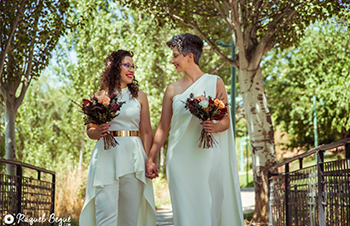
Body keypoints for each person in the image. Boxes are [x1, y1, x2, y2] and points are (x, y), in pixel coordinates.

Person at [146, 33, 244, 226]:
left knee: (209, 209)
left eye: (175, 55)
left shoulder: (215, 82)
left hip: (208, 157)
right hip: (179, 161)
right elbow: (163, 127)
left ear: (189, 57)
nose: (172, 60)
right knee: (185, 213)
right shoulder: (172, 90)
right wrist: (151, 158)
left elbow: (226, 121)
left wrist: (214, 127)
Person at [79, 50, 156, 226]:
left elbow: (146, 131)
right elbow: (90, 129)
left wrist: (149, 160)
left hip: (133, 158)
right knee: (105, 215)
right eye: (126, 65)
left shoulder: (140, 97)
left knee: (130, 219)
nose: (131, 69)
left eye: (133, 66)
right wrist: (97, 133)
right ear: (114, 68)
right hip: (106, 157)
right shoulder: (98, 97)